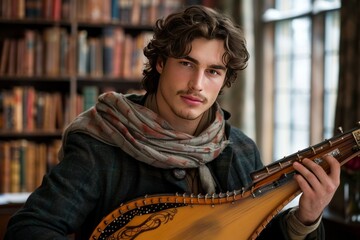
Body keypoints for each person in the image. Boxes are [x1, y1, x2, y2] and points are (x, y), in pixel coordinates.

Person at [5, 5, 340, 240]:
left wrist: (305, 219)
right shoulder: (102, 141)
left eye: (213, 71)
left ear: (225, 80)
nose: (197, 84)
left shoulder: (238, 148)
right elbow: (29, 228)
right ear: (161, 63)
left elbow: (257, 234)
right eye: (186, 63)